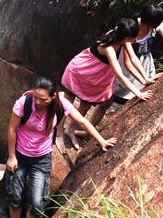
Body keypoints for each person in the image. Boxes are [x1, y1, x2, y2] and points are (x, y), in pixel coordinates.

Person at [5, 77, 115, 218]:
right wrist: (12, 156)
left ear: (53, 97)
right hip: (20, 155)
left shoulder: (61, 105)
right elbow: (12, 129)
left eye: (43, 99)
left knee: (37, 201)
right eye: (36, 97)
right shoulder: (24, 103)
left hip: (41, 159)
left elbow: (83, 121)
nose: (38, 102)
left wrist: (101, 141)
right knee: (15, 195)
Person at [59, 18, 153, 149]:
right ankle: (59, 132)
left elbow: (131, 61)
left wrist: (145, 80)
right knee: (68, 100)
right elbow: (119, 74)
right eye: (133, 37)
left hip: (94, 76)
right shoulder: (109, 47)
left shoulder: (122, 40)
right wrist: (138, 93)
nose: (135, 39)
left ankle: (71, 129)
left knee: (85, 106)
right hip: (81, 70)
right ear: (126, 38)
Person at [111, 4, 163, 105]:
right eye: (148, 25)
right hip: (128, 63)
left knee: (146, 91)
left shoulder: (156, 25)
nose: (148, 28)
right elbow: (130, 60)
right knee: (121, 93)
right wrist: (145, 79)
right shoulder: (131, 27)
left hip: (145, 60)